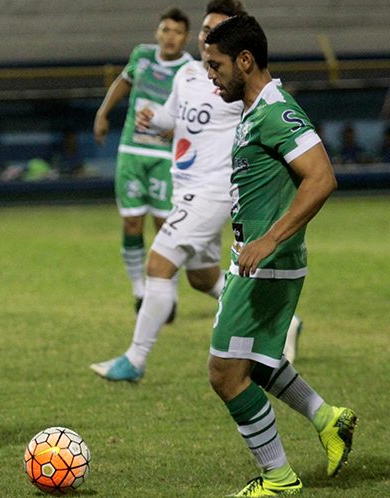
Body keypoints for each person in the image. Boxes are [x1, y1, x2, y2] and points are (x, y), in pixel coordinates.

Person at [90, 1, 304, 383]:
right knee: (202, 277)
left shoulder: (237, 85)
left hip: (213, 191)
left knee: (159, 263)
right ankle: (284, 323)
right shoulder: (188, 73)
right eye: (206, 30)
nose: (208, 37)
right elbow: (173, 119)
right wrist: (154, 118)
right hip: (185, 187)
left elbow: (262, 117)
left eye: (216, 31)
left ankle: (135, 360)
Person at [205, 15, 356, 495]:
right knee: (254, 361)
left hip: (267, 265)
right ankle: (328, 418)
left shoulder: (275, 110)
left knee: (225, 375)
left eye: (216, 66)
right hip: (251, 261)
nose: (210, 75)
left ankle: (279, 478)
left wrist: (270, 239)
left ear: (245, 61)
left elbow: (322, 177)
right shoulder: (253, 111)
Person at [93, 7, 192, 314]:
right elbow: (123, 82)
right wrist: (103, 113)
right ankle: (139, 289)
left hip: (166, 156)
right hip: (133, 151)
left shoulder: (190, 69)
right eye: (166, 30)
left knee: (165, 225)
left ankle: (168, 292)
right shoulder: (142, 56)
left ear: (186, 37)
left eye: (177, 32)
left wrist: (178, 127)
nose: (170, 37)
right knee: (132, 221)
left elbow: (195, 110)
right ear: (157, 33)